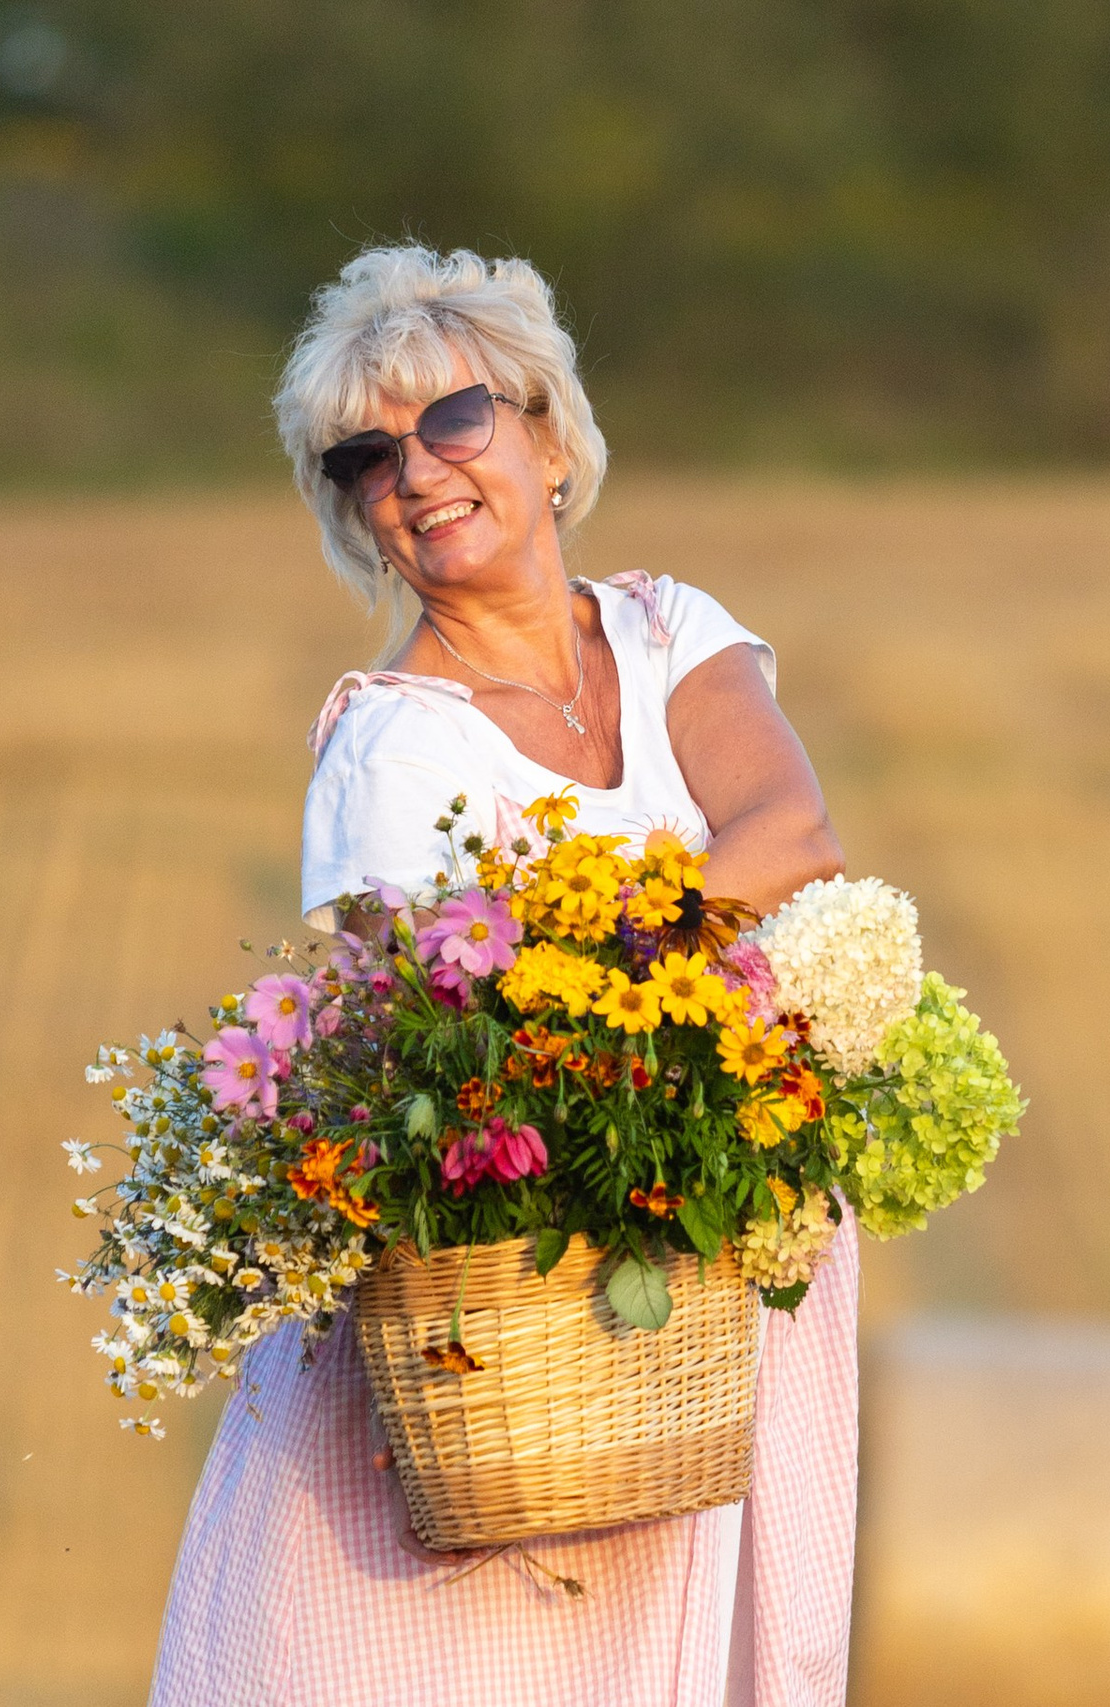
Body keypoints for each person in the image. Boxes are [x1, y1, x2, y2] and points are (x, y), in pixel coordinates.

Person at [149, 245, 860, 1707]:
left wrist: (596, 956)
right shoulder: (394, 747)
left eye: (453, 422)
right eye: (367, 456)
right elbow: (447, 1040)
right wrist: (660, 969)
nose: (415, 473)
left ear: (543, 433)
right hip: (514, 1309)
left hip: (699, 1288)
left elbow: (795, 835)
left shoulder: (670, 634)